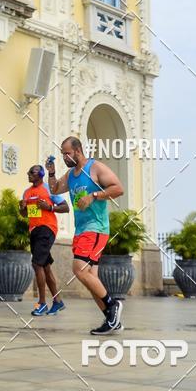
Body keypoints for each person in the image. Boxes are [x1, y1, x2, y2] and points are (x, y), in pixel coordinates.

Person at [47, 136, 124, 334]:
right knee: (91, 279)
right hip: (81, 230)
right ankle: (112, 320)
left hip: (96, 228)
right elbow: (55, 189)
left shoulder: (95, 168)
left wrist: (94, 195)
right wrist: (52, 173)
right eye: (62, 153)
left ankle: (112, 305)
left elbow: (118, 188)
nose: (64, 156)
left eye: (67, 153)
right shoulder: (71, 175)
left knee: (79, 269)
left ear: (78, 151)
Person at [19, 165, 69, 316]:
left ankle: (41, 304)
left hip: (47, 229)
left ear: (40, 175)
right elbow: (26, 214)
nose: (28, 174)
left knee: (36, 264)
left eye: (32, 172)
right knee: (45, 267)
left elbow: (65, 207)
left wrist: (49, 207)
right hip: (34, 230)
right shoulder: (27, 192)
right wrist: (21, 208)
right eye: (28, 172)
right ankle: (58, 302)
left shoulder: (49, 189)